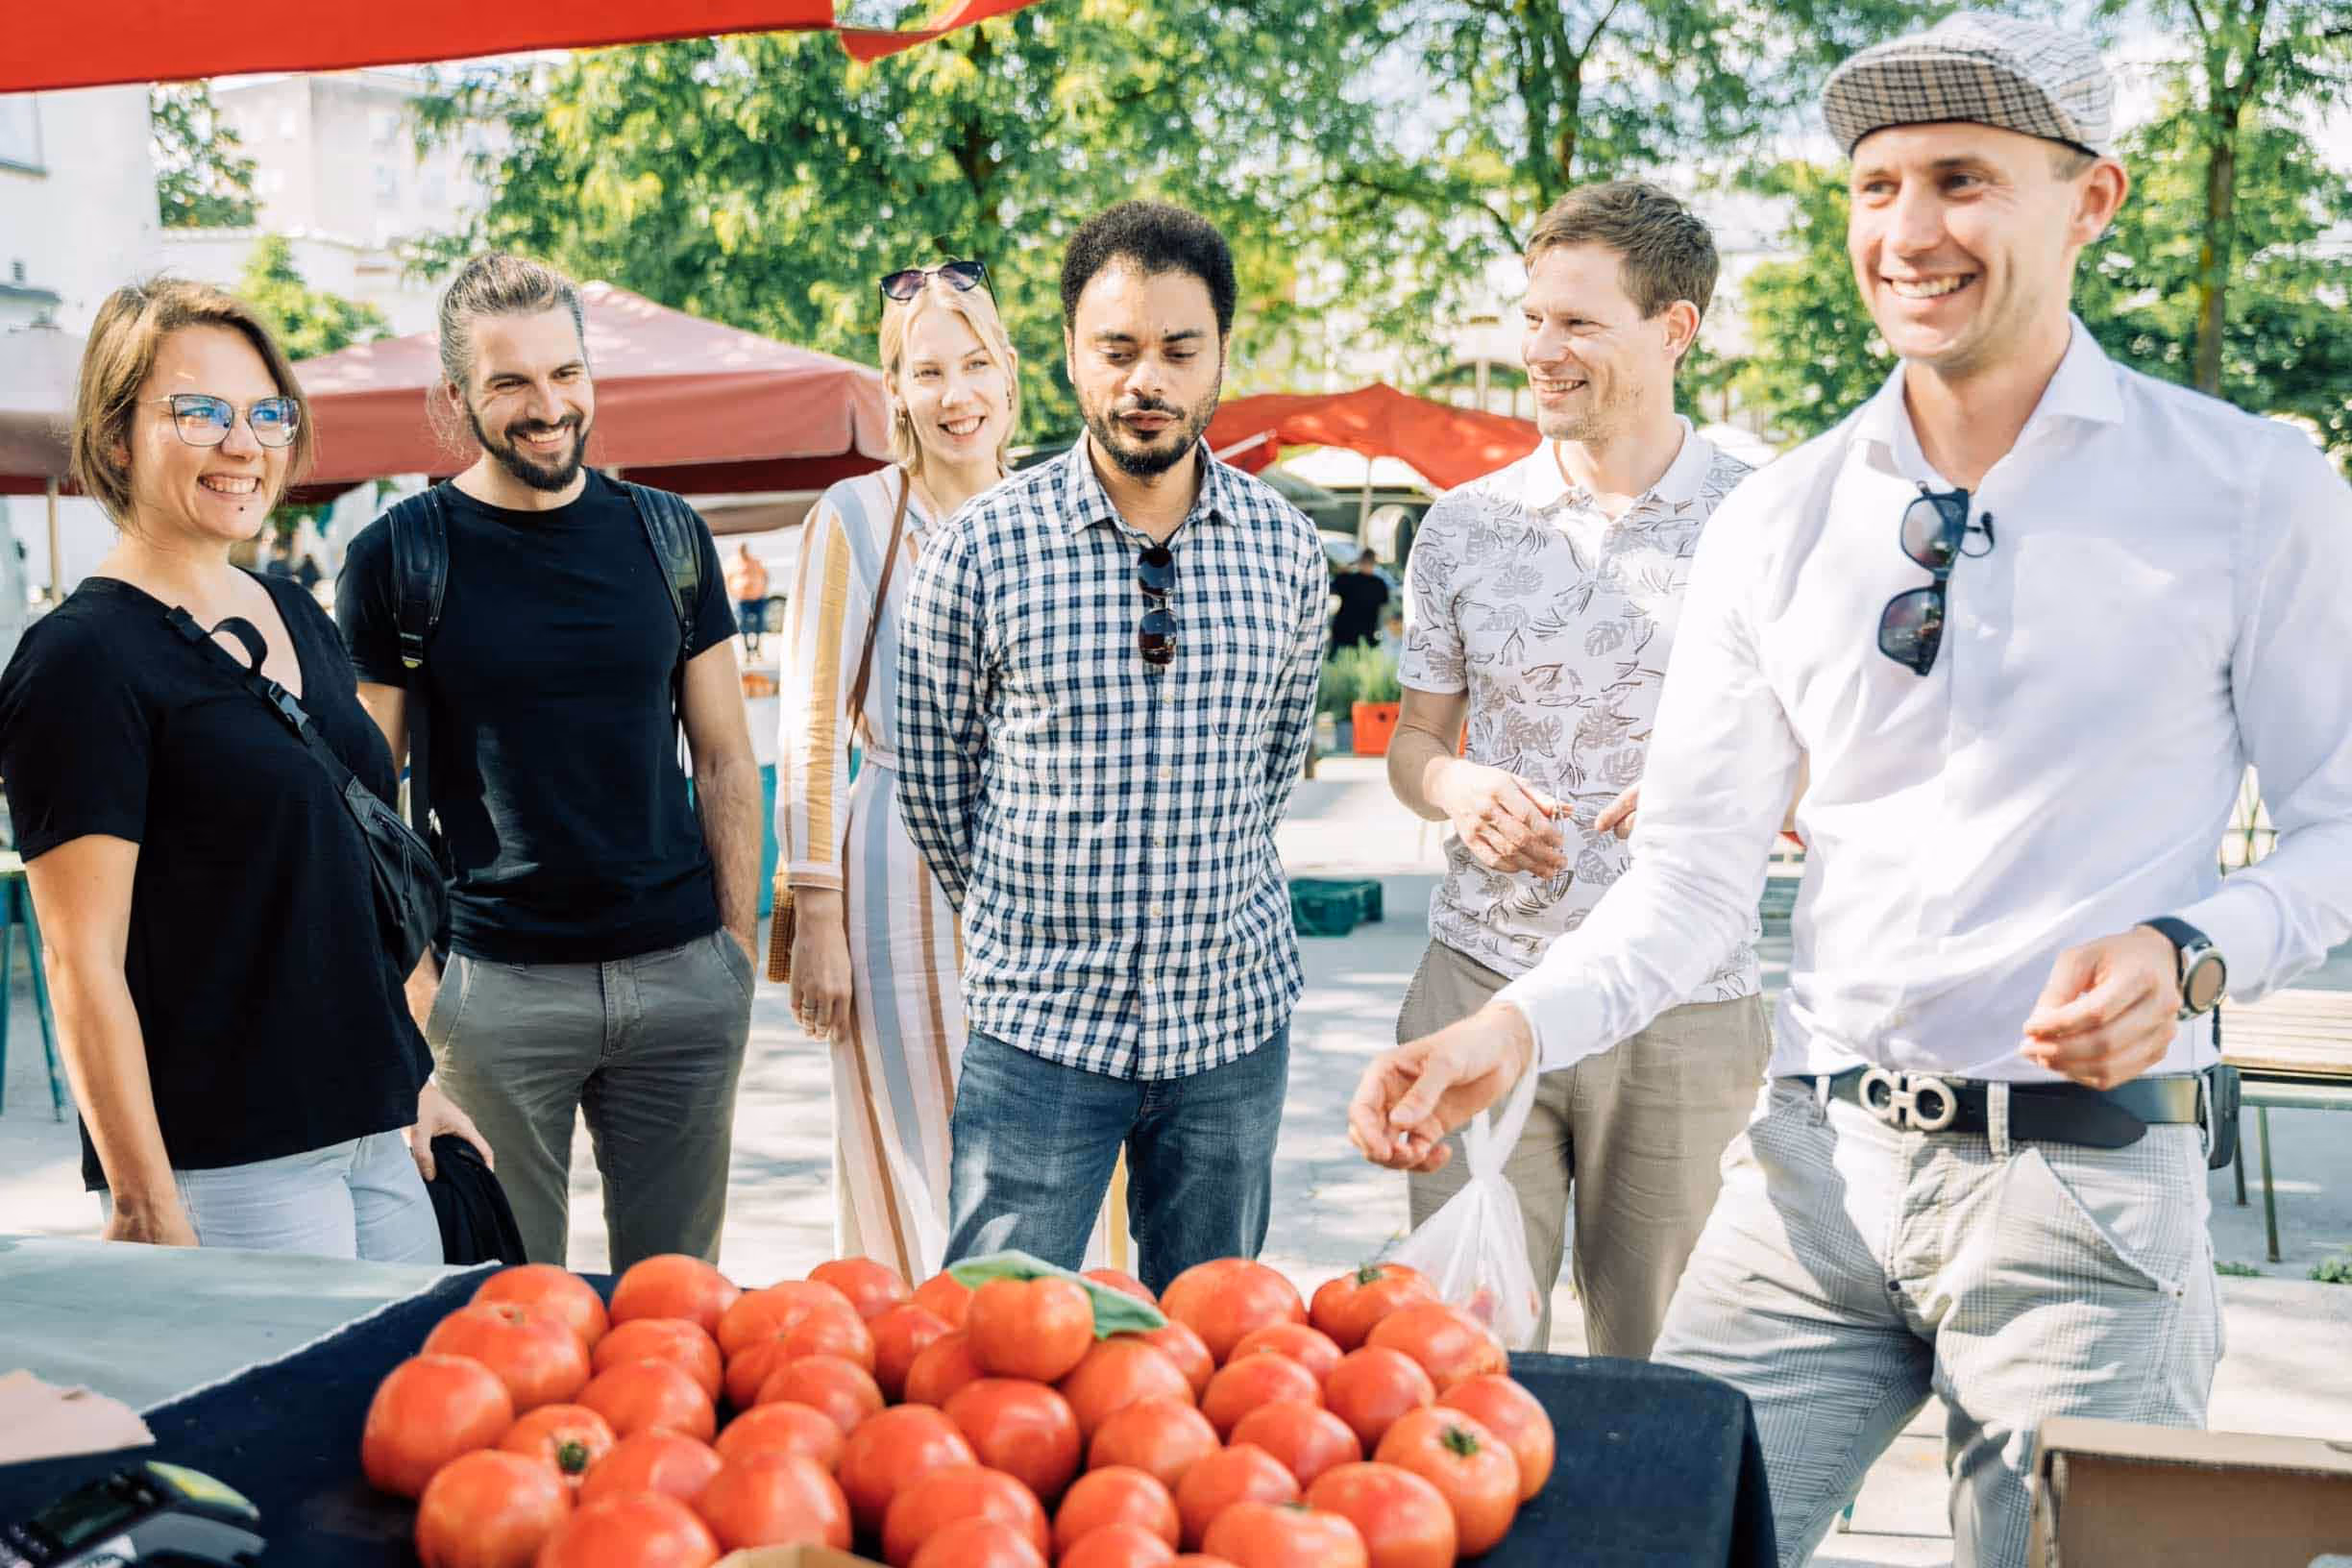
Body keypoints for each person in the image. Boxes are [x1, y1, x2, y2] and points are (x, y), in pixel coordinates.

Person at [1348, 16, 2352, 1565]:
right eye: (1877, 186)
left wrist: (2193, 951)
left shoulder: (2244, 490)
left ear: (2093, 202)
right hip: (1809, 1181)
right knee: (1633, 1545)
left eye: (1962, 179)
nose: (1909, 229)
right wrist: (1511, 1025)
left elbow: (2343, 826)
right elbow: (1688, 883)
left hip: (2084, 1197)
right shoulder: (1783, 519)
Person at [0, 278, 486, 1259]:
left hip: (379, 1135)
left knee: (407, 1404)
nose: (244, 443)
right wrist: (142, 1199)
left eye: (267, 412)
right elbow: (79, 961)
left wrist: (417, 1084)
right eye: (200, 412)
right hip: (231, 1164)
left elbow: (350, 887)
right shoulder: (81, 660)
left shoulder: (296, 613)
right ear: (114, 437)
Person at [895, 203, 1328, 1292]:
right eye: (1118, 350)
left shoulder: (1286, 551)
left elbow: (1272, 767)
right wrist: (1028, 915)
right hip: (1041, 1027)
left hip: (1230, 1020)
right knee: (994, 1352)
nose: (1149, 380)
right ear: (1072, 359)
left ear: (1222, 354)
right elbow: (938, 784)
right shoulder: (981, 549)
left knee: (1216, 1355)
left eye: (1180, 351)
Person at [1384, 181, 1771, 1356]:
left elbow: (1829, 751)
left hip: (1684, 1007)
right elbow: (1415, 744)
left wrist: (1730, 791)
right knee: (1464, 1357)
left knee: (1665, 1367)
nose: (1541, 353)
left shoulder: (1768, 521)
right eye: (1534, 318)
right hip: (1479, 983)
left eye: (1579, 324)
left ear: (1675, 330)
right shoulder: (1460, 524)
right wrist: (1458, 790)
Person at [337, 254, 763, 1272]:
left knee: (678, 1305)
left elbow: (726, 760)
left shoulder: (669, 537)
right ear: (456, 398)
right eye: (510, 383)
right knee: (514, 1306)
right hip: (495, 992)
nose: (547, 407)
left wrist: (735, 956)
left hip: (682, 982)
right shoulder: (401, 556)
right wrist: (419, 992)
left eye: (565, 374)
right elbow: (360, 798)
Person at [774, 257, 1015, 1281]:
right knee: (909, 1143)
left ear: (1009, 372)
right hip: (894, 872)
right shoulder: (856, 515)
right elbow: (811, 724)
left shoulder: (1057, 510)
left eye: (973, 365)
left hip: (1044, 878)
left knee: (1039, 1144)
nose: (955, 396)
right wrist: (815, 918)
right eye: (926, 374)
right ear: (896, 392)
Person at [1328, 547, 1389, 651]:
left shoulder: (1347, 579)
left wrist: (1347, 567)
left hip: (1343, 633)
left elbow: (1330, 587)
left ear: (1359, 562)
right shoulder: (1380, 584)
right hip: (1365, 636)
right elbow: (1384, 610)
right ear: (1374, 563)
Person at [727, 542, 770, 657]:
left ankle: (758, 649)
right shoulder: (734, 563)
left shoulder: (755, 561)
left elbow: (765, 576)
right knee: (743, 624)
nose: (743, 552)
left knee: (760, 624)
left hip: (758, 597)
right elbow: (727, 579)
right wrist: (733, 593)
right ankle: (747, 651)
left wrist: (763, 589)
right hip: (742, 598)